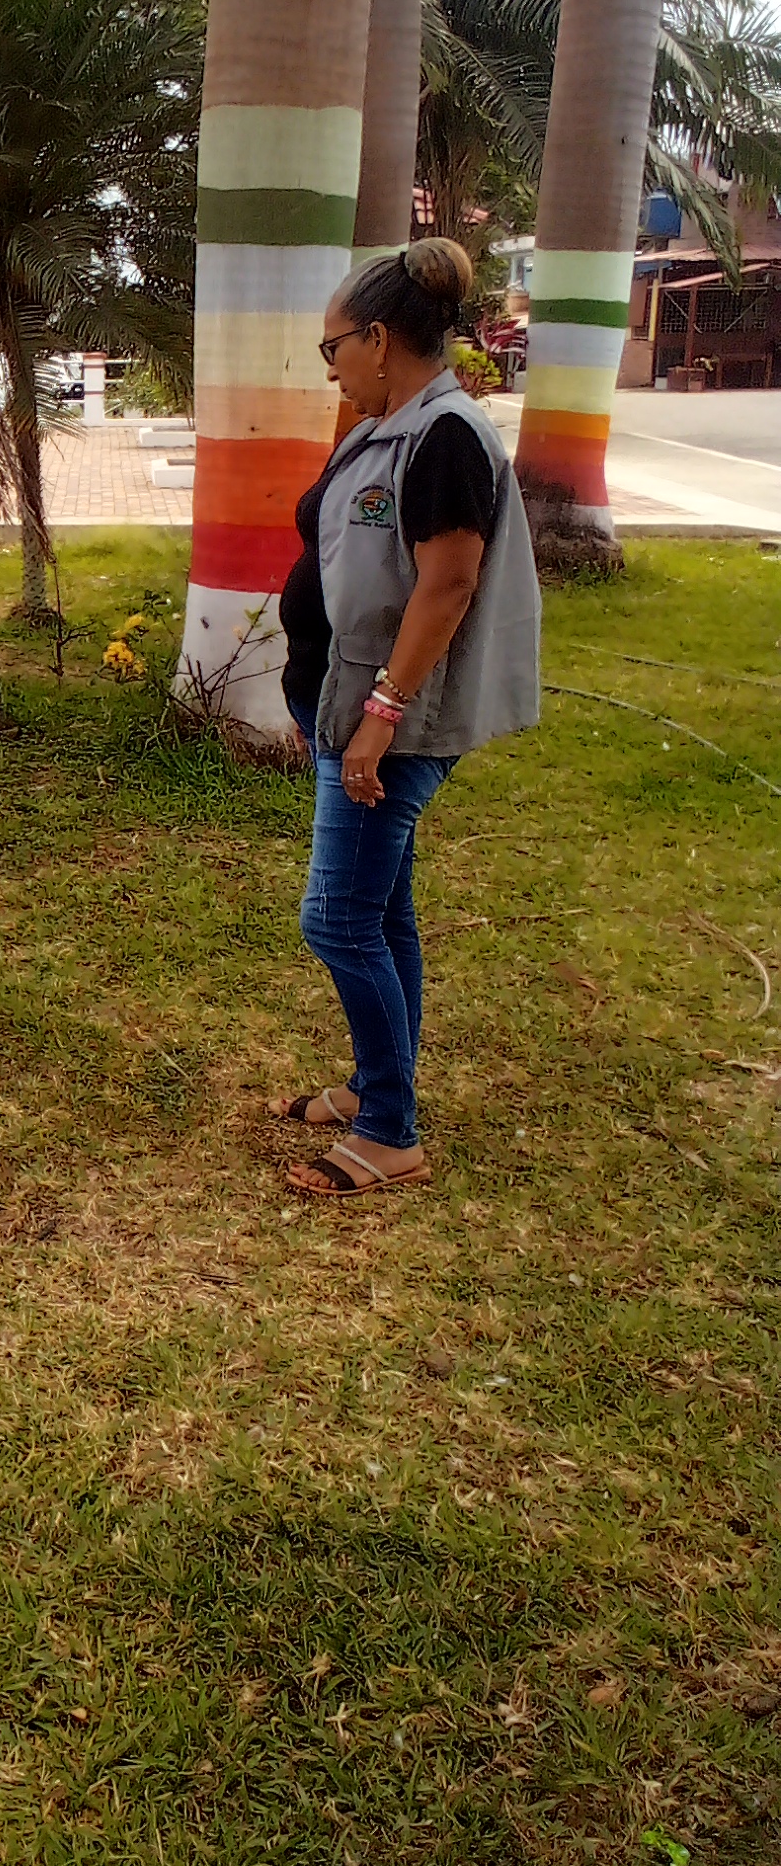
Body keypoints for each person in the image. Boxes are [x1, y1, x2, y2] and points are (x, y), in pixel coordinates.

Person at [270, 239, 540, 1195]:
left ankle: (390, 1131)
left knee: (337, 920)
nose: (330, 366)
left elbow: (449, 583)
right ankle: (374, 1085)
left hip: (391, 720)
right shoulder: (388, 426)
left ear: (379, 339)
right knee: (382, 911)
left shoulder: (446, 436)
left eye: (334, 346)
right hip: (344, 702)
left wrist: (379, 715)